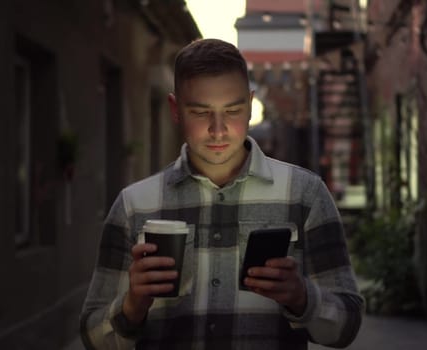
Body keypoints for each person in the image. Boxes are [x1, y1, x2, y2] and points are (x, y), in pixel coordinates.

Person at [80, 38, 363, 349]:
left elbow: (346, 326)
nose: (218, 129)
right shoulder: (133, 206)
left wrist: (302, 297)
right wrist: (131, 307)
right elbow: (93, 339)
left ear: (250, 105)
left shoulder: (305, 195)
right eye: (201, 112)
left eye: (232, 110)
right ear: (176, 110)